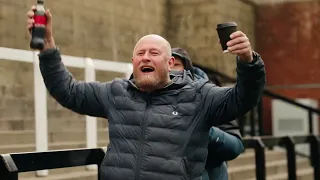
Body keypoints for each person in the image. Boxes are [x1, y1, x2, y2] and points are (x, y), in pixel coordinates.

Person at [26, 6, 266, 180]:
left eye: (153, 52)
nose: (146, 57)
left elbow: (242, 98)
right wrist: (47, 47)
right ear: (133, 61)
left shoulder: (199, 95)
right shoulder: (116, 92)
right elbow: (68, 91)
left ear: (170, 62)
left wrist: (248, 60)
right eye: (140, 53)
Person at [171, 48, 244, 180]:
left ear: (187, 69)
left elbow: (235, 147)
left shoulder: (209, 97)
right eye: (167, 65)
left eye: (176, 65)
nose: (171, 70)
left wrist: (206, 132)